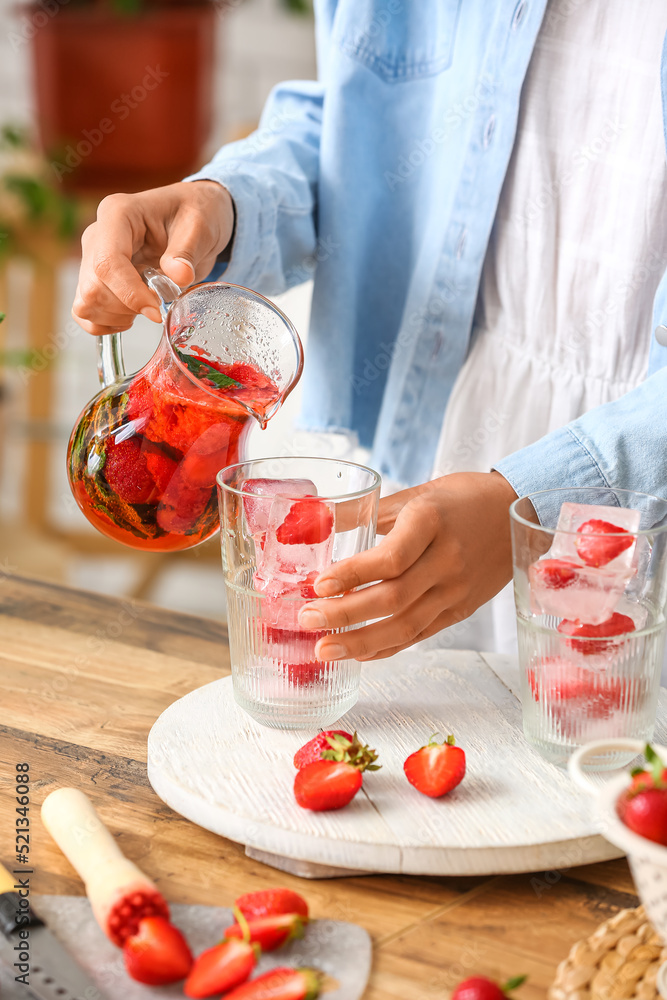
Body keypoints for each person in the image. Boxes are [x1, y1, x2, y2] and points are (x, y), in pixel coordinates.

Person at [72, 0, 667, 663]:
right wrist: (224, 203)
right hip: (421, 457)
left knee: (603, 742)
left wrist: (536, 501)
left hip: (634, 476)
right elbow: (351, 120)